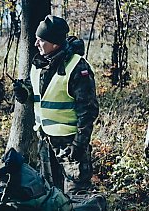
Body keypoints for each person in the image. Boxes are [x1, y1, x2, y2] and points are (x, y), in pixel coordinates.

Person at [12, 15, 99, 195]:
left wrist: (79, 144)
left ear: (55, 44)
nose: (36, 44)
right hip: (46, 142)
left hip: (70, 143)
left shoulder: (78, 67)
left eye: (41, 40)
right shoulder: (39, 64)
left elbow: (88, 111)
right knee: (52, 195)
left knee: (77, 197)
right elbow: (37, 93)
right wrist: (23, 93)